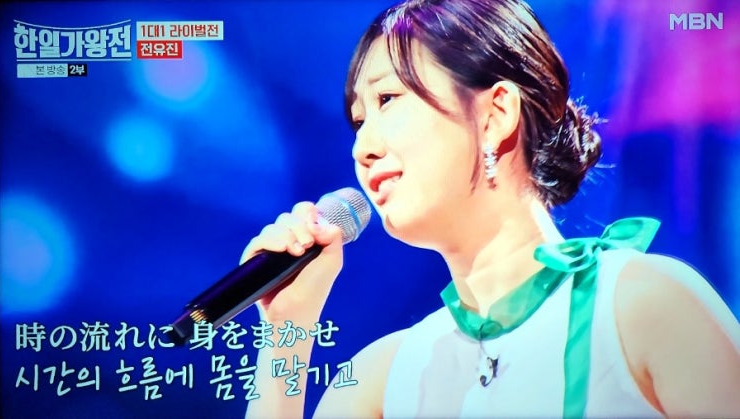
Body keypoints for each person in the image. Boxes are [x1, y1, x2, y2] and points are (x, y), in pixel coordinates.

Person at [242, 0, 740, 417]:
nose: (363, 147)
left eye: (388, 99)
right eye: (358, 121)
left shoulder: (643, 306)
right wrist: (287, 330)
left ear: (496, 113)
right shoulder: (381, 382)